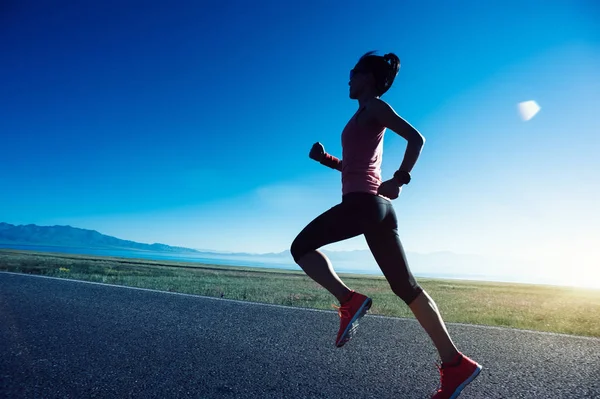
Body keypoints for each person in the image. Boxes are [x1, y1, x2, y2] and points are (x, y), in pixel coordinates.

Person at [290, 51, 482, 399]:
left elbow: (416, 138)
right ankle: (455, 364)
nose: (348, 79)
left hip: (365, 204)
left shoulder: (375, 107)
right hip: (377, 208)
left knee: (299, 248)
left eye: (353, 72)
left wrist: (401, 178)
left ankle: (349, 300)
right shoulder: (361, 115)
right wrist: (326, 160)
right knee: (407, 288)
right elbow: (354, 167)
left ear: (368, 77)